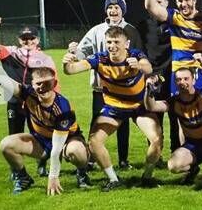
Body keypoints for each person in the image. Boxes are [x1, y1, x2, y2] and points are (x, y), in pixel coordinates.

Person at [62, 26, 163, 191]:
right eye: (109, 42)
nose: (112, 46)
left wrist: (138, 65)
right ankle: (114, 180)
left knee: (156, 139)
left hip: (139, 106)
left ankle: (147, 177)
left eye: (116, 42)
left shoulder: (135, 55)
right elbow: (72, 70)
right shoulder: (100, 59)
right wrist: (67, 63)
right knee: (94, 142)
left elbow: (148, 68)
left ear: (126, 44)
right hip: (114, 107)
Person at [71, 0, 142, 170]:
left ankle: (123, 160)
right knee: (96, 121)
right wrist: (74, 52)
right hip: (100, 88)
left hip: (124, 88)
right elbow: (83, 50)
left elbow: (139, 54)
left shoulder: (131, 30)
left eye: (117, 7)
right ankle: (91, 159)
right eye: (110, 7)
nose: (113, 10)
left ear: (123, 11)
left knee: (123, 123)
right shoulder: (96, 30)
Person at [144, 53, 202, 189]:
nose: (182, 82)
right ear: (175, 83)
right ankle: (193, 168)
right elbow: (152, 106)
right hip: (193, 145)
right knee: (173, 166)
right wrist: (149, 90)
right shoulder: (174, 102)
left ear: (193, 80)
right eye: (179, 80)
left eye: (186, 79)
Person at [0, 67, 90, 195]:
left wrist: (53, 177)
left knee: (76, 150)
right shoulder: (28, 93)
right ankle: (23, 178)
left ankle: (82, 172)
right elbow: (5, 81)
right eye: (38, 84)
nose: (42, 87)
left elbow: (56, 148)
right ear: (32, 84)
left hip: (67, 142)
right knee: (6, 144)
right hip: (42, 141)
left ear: (54, 83)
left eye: (47, 83)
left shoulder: (63, 107)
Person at [138, 0, 183, 153]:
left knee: (175, 116)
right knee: (154, 117)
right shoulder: (143, 25)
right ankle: (156, 154)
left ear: (167, 3)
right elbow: (140, 51)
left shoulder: (175, 22)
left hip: (173, 77)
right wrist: (147, 74)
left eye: (160, 2)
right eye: (154, 2)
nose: (157, 6)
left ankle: (176, 151)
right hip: (152, 77)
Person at [0, 27, 56, 137]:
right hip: (14, 102)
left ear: (38, 39)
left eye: (32, 38)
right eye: (24, 38)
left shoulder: (45, 59)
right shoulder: (9, 52)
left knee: (41, 136)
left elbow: (53, 83)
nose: (28, 41)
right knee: (14, 136)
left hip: (36, 102)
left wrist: (52, 103)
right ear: (19, 39)